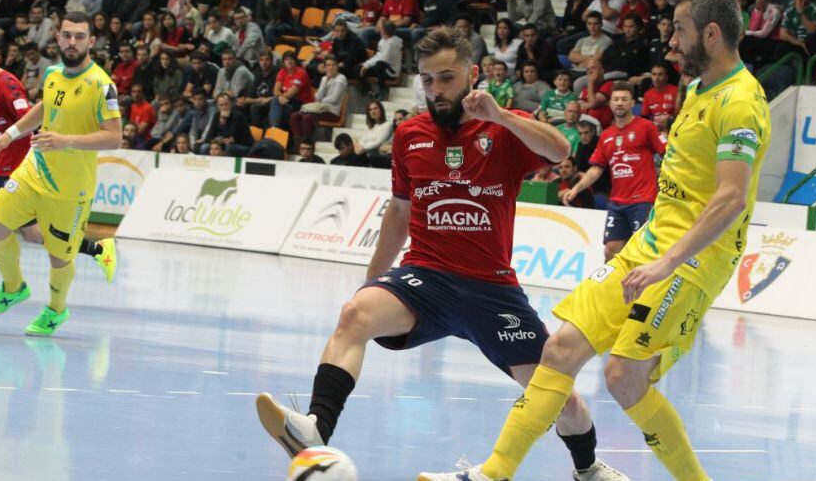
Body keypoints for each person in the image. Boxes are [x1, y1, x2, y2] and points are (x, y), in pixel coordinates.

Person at [419, 0, 771, 479]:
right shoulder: (699, 88)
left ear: (711, 34)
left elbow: (731, 199)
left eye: (682, 29)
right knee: (559, 349)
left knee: (624, 378)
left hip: (692, 260)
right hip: (650, 241)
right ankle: (493, 473)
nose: (670, 37)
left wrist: (667, 263)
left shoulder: (741, 102)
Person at [256, 27, 628, 481]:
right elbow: (398, 213)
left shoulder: (501, 129)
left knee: (559, 396)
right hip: (425, 279)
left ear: (472, 75)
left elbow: (562, 148)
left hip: (491, 289)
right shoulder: (409, 135)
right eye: (428, 80)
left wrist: (504, 116)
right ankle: (315, 430)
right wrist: (372, 283)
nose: (436, 90)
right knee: (355, 314)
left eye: (447, 78)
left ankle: (587, 469)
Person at [0, 11, 123, 336]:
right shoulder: (54, 73)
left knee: (58, 257)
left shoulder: (102, 85)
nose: (72, 42)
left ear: (92, 41)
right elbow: (44, 108)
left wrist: (66, 140)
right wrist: (5, 138)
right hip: (35, 170)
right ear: (58, 37)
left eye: (79, 37)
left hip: (71, 189)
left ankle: (56, 311)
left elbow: (115, 137)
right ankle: (13, 288)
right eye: (67, 35)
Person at [0, 33, 117, 299]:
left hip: (16, 169)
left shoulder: (6, 86)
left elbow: (29, 120)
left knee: (34, 235)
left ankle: (98, 250)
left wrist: (32, 148)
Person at [562, 82, 665, 261]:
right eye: (616, 99)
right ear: (610, 103)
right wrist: (576, 188)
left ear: (632, 103)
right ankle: (610, 287)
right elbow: (596, 169)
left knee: (641, 249)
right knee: (610, 250)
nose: (619, 103)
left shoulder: (646, 127)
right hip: (617, 202)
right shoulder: (607, 135)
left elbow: (666, 154)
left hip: (643, 200)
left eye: (624, 99)